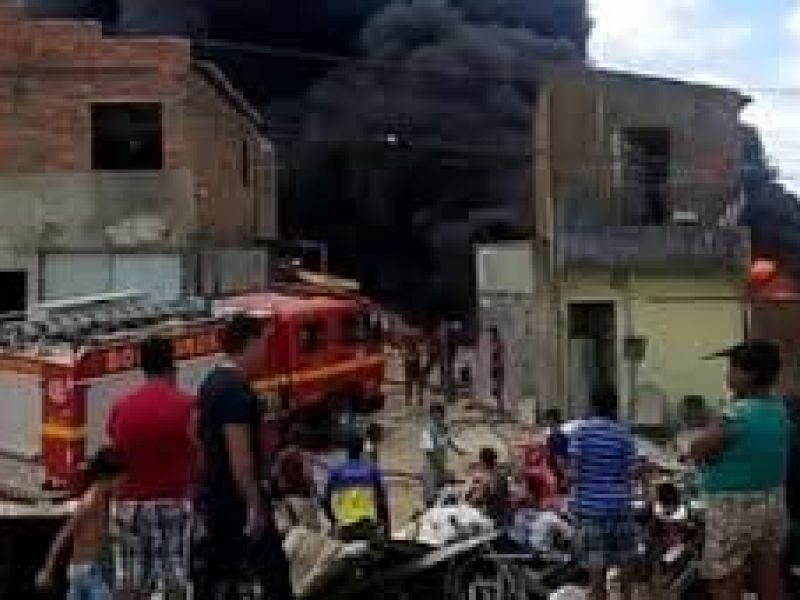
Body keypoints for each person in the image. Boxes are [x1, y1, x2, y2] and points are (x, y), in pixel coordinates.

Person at [195, 314, 294, 600]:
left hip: (215, 494)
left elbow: (194, 431)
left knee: (223, 574)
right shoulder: (234, 390)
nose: (265, 351)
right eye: (263, 343)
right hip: (235, 499)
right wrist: (254, 503)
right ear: (249, 343)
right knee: (273, 575)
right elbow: (240, 454)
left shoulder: (211, 382)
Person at [690, 340, 789, 600]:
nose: (727, 374)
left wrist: (702, 448)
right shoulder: (779, 409)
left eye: (733, 368)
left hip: (733, 507)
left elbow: (699, 449)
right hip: (773, 502)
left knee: (725, 580)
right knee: (768, 574)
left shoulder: (735, 413)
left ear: (750, 374)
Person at [106, 336, 195, 599]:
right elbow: (200, 454)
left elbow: (116, 455)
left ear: (142, 367)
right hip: (173, 501)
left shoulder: (121, 408)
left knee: (129, 583)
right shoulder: (188, 406)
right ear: (172, 366)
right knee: (174, 581)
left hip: (128, 505)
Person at [569, 386, 637, 600]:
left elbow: (574, 473)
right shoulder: (623, 434)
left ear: (592, 405)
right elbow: (629, 474)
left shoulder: (581, 432)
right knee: (626, 567)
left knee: (597, 572)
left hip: (591, 510)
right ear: (614, 406)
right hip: (620, 507)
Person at [37, 447, 127, 600]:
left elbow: (100, 534)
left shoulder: (103, 497)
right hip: (85, 571)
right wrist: (47, 568)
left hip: (90, 568)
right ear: (107, 477)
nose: (123, 483)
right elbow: (64, 533)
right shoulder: (90, 502)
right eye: (121, 479)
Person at [322, 435, 390, 541]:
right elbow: (381, 501)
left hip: (346, 528)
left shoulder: (336, 472)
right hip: (368, 526)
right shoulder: (371, 470)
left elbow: (325, 501)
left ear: (346, 451)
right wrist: (386, 526)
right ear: (362, 449)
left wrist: (334, 521)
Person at [271, 426, 320, 531]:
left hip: (286, 497)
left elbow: (274, 474)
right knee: (311, 531)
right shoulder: (303, 455)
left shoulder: (281, 455)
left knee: (290, 531)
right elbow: (308, 475)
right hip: (302, 496)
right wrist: (314, 491)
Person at [420, 403, 464, 506]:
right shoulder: (427, 431)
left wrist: (459, 450)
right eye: (435, 415)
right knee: (431, 498)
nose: (438, 418)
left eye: (440, 415)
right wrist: (440, 467)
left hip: (441, 467)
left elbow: (450, 441)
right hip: (431, 468)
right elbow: (429, 452)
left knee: (442, 495)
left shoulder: (444, 428)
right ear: (431, 416)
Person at [465, 447, 510, 524]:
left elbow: (475, 499)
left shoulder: (487, 478)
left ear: (482, 461)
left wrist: (469, 495)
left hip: (489, 518)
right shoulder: (501, 476)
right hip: (501, 516)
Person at [544, 408, 570, 493]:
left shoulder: (559, 439)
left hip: (558, 477)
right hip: (554, 476)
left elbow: (560, 459)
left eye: (549, 421)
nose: (548, 424)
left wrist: (565, 477)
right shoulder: (551, 438)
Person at [403, 334, 424, 407]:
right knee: (410, 385)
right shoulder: (409, 353)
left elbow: (416, 361)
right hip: (411, 370)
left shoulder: (415, 352)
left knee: (415, 385)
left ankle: (419, 399)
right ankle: (410, 400)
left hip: (414, 370)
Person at [489, 327, 506, 415]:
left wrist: (496, 366)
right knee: (497, 389)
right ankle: (499, 407)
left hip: (498, 368)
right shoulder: (495, 343)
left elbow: (498, 356)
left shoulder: (497, 343)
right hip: (497, 368)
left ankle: (500, 408)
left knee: (498, 389)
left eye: (491, 334)